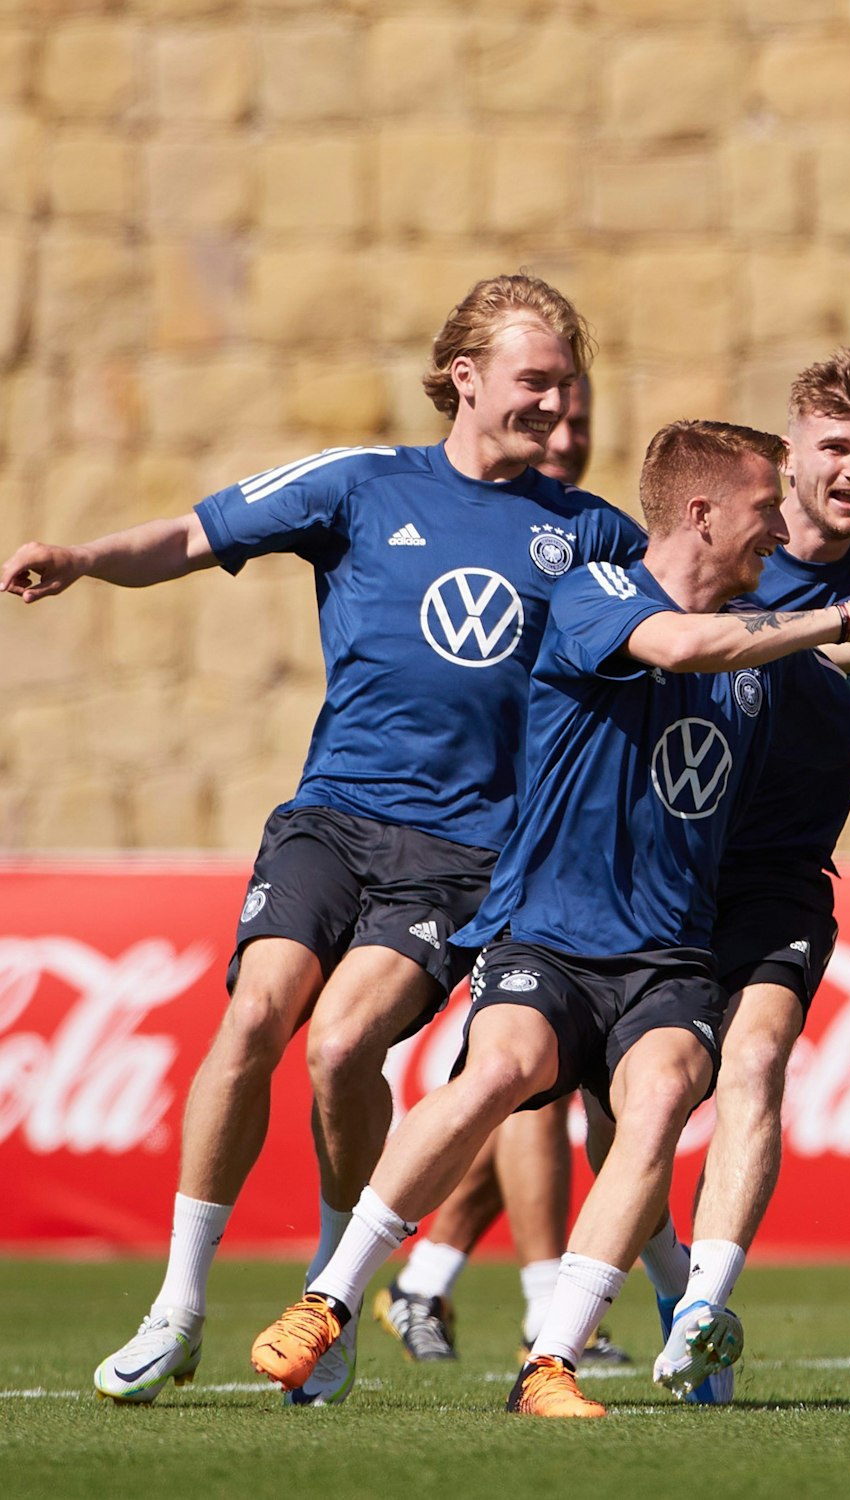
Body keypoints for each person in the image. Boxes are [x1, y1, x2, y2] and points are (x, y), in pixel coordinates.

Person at [245, 420, 850, 1416]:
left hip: (668, 955)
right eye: (761, 509)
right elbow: (681, 645)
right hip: (546, 933)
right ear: (700, 513)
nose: (775, 531)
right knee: (500, 1070)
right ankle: (329, 1301)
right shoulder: (599, 592)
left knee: (657, 1099)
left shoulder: (764, 637)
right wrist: (838, 623)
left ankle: (551, 1362)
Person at [1, 275, 643, 1407]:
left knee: (342, 1048)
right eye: (534, 381)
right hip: (331, 818)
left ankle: (327, 1291)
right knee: (255, 1011)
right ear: (467, 379)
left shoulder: (588, 533)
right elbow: (194, 533)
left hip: (464, 855)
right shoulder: (358, 484)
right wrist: (90, 558)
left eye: (565, 384)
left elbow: (684, 623)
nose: (556, 404)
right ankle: (179, 1308)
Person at [633, 350, 850, 1404]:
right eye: (835, 447)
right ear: (791, 452)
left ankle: (705, 1312)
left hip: (779, 875)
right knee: (626, 1112)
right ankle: (667, 1277)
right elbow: (733, 652)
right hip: (664, 867)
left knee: (756, 1059)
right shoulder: (732, 556)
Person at [372, 373, 631, 1369]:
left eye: (579, 422)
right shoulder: (480, 530)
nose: (563, 434)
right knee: (525, 1076)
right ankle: (540, 1304)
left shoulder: (599, 545)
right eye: (548, 415)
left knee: (527, 1079)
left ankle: (426, 1282)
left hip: (568, 849)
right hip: (487, 850)